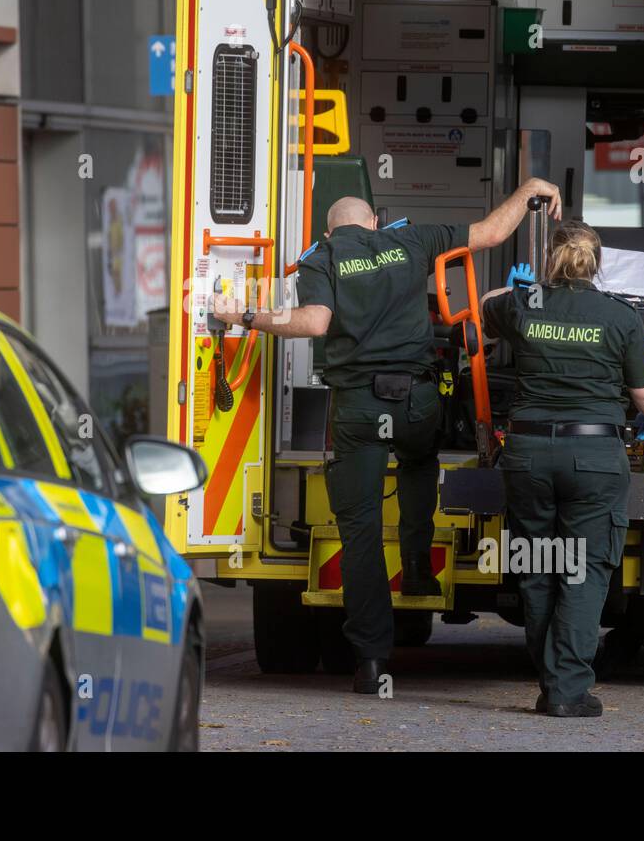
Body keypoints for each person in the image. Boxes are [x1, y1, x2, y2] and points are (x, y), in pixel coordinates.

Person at [212, 177, 562, 693]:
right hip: (417, 400)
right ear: (374, 220)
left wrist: (243, 315)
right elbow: (489, 231)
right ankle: (419, 570)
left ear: (330, 232)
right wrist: (529, 187)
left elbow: (313, 323)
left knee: (360, 532)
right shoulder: (411, 240)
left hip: (358, 405)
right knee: (420, 464)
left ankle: (372, 661)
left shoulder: (321, 259)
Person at [480, 220, 644, 717]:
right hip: (594, 459)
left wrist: (519, 287)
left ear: (550, 258)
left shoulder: (522, 305)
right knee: (581, 571)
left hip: (528, 455)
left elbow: (479, 309)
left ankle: (550, 681)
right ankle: (567, 690)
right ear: (597, 262)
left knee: (539, 568)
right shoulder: (618, 315)